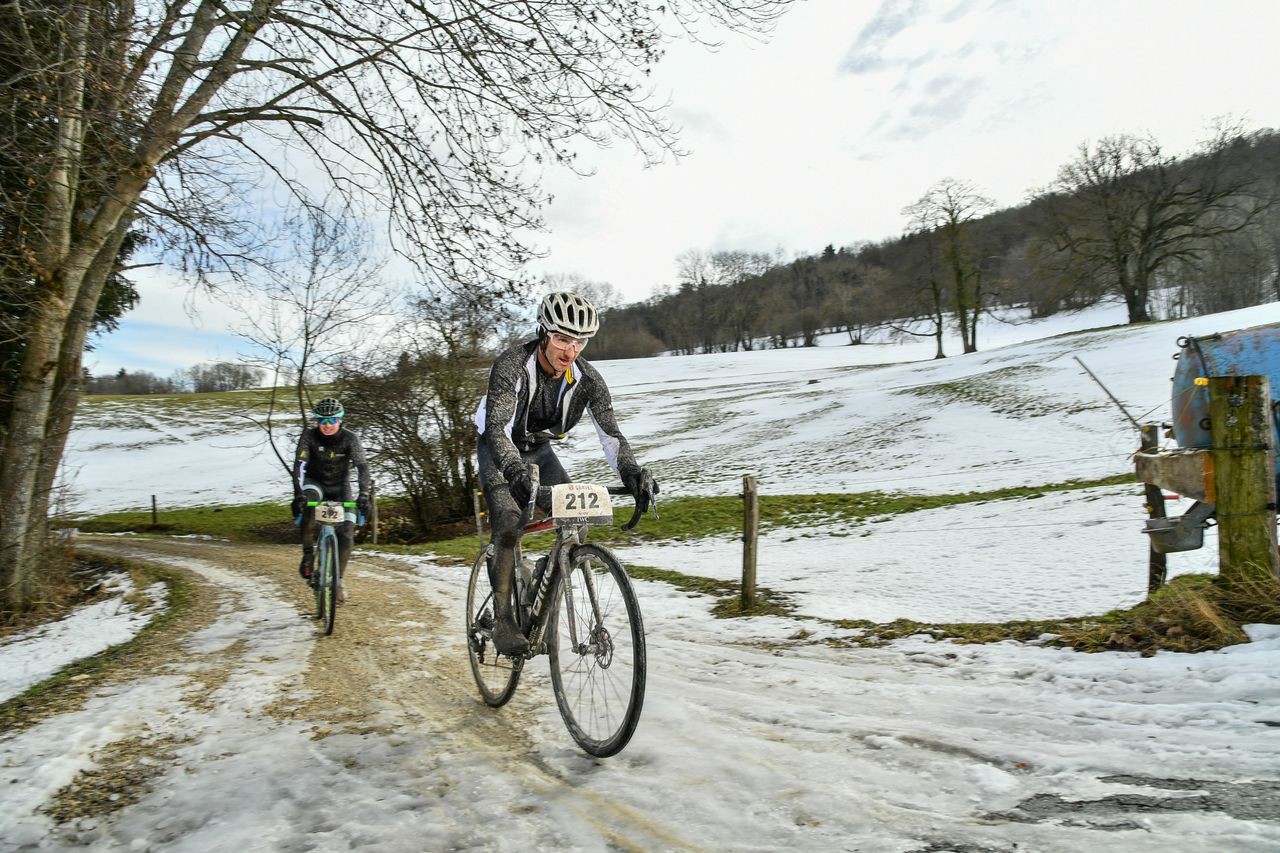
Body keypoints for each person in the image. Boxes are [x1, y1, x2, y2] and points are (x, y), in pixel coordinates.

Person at [474, 291, 659, 656]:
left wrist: (632, 472)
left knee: (578, 517)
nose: (570, 350)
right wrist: (513, 470)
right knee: (510, 521)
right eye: (562, 339)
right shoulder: (512, 365)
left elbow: (611, 436)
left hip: (539, 449)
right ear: (544, 333)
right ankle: (504, 619)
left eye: (579, 341)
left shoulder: (588, 380)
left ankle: (544, 576)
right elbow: (497, 429)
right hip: (498, 448)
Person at [291, 397, 371, 591]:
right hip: (314, 484)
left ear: (340, 421)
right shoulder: (308, 437)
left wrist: (364, 494)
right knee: (309, 506)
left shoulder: (350, 439)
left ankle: (338, 581)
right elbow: (300, 466)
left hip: (340, 487)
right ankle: (308, 555)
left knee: (347, 532)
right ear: (317, 422)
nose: (327, 426)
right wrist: (299, 493)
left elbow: (362, 467)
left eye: (332, 421)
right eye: (322, 421)